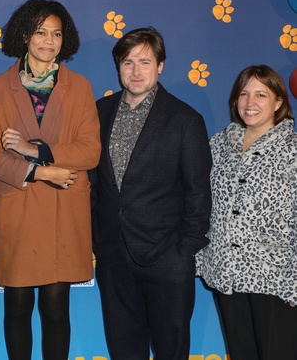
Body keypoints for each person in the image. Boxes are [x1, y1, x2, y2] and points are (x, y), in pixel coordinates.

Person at [0, 0, 100, 360]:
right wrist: (41, 171)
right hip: (17, 207)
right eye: (40, 32)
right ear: (24, 35)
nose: (49, 41)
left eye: (56, 34)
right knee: (18, 304)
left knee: (55, 305)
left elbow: (90, 152)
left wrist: (38, 150)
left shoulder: (80, 87)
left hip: (63, 208)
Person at [92, 27, 212, 359]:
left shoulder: (185, 120)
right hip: (113, 257)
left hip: (166, 258)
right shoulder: (100, 112)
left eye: (145, 62)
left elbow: (199, 194)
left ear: (160, 66)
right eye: (128, 62)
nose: (136, 71)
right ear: (119, 66)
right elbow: (92, 183)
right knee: (123, 349)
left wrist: (182, 252)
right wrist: (96, 239)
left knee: (170, 351)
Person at [196, 65, 297, 360]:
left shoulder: (292, 150)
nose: (250, 102)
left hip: (276, 280)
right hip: (226, 276)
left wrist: (294, 284)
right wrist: (202, 258)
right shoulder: (218, 145)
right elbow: (202, 204)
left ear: (278, 102)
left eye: (261, 94)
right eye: (244, 94)